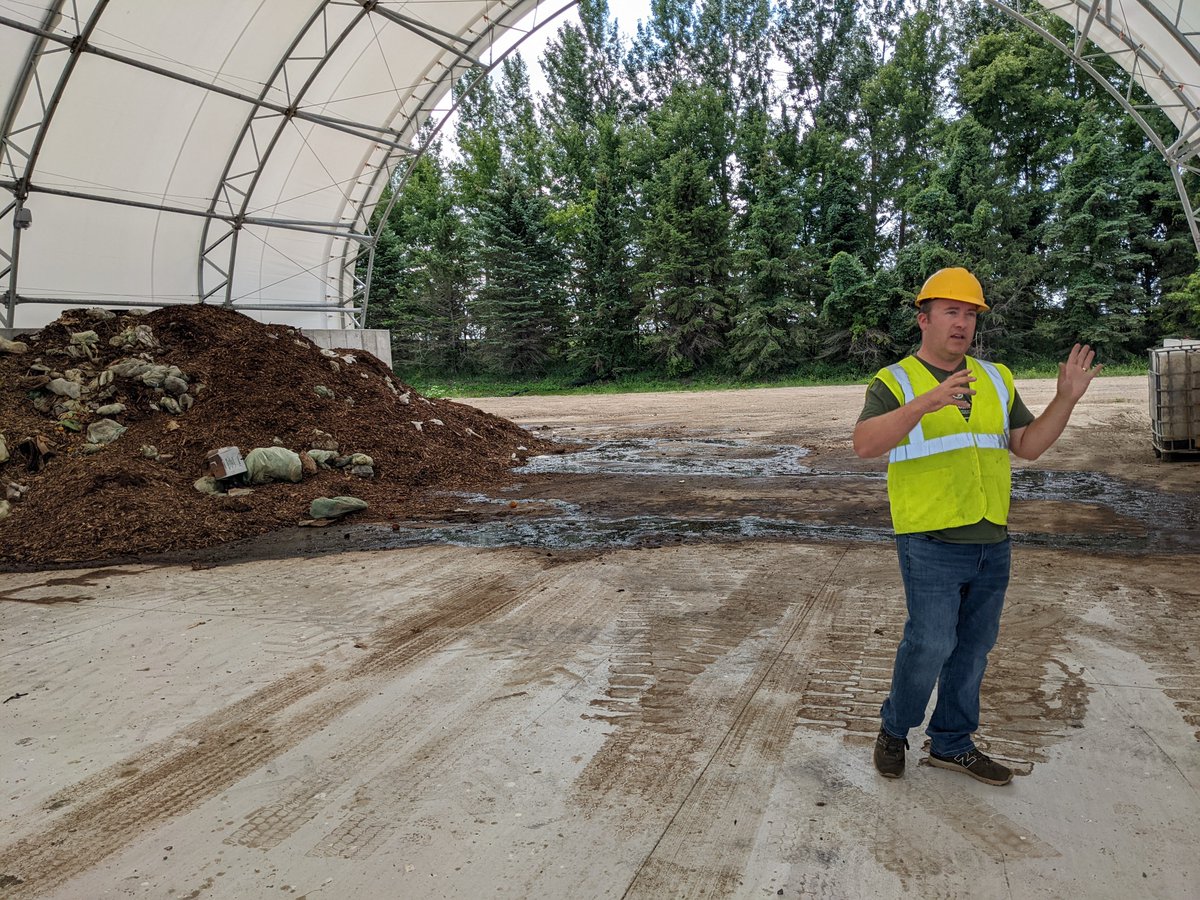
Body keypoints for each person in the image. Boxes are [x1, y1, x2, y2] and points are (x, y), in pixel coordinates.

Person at [853, 266, 1101, 786]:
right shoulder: (894, 381)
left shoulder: (995, 376)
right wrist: (926, 402)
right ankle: (894, 730)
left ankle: (952, 743)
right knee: (930, 644)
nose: (962, 322)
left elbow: (1026, 446)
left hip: (992, 540)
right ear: (924, 320)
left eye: (970, 313)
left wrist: (1067, 399)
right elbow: (865, 445)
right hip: (929, 539)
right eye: (951, 311)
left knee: (973, 649)